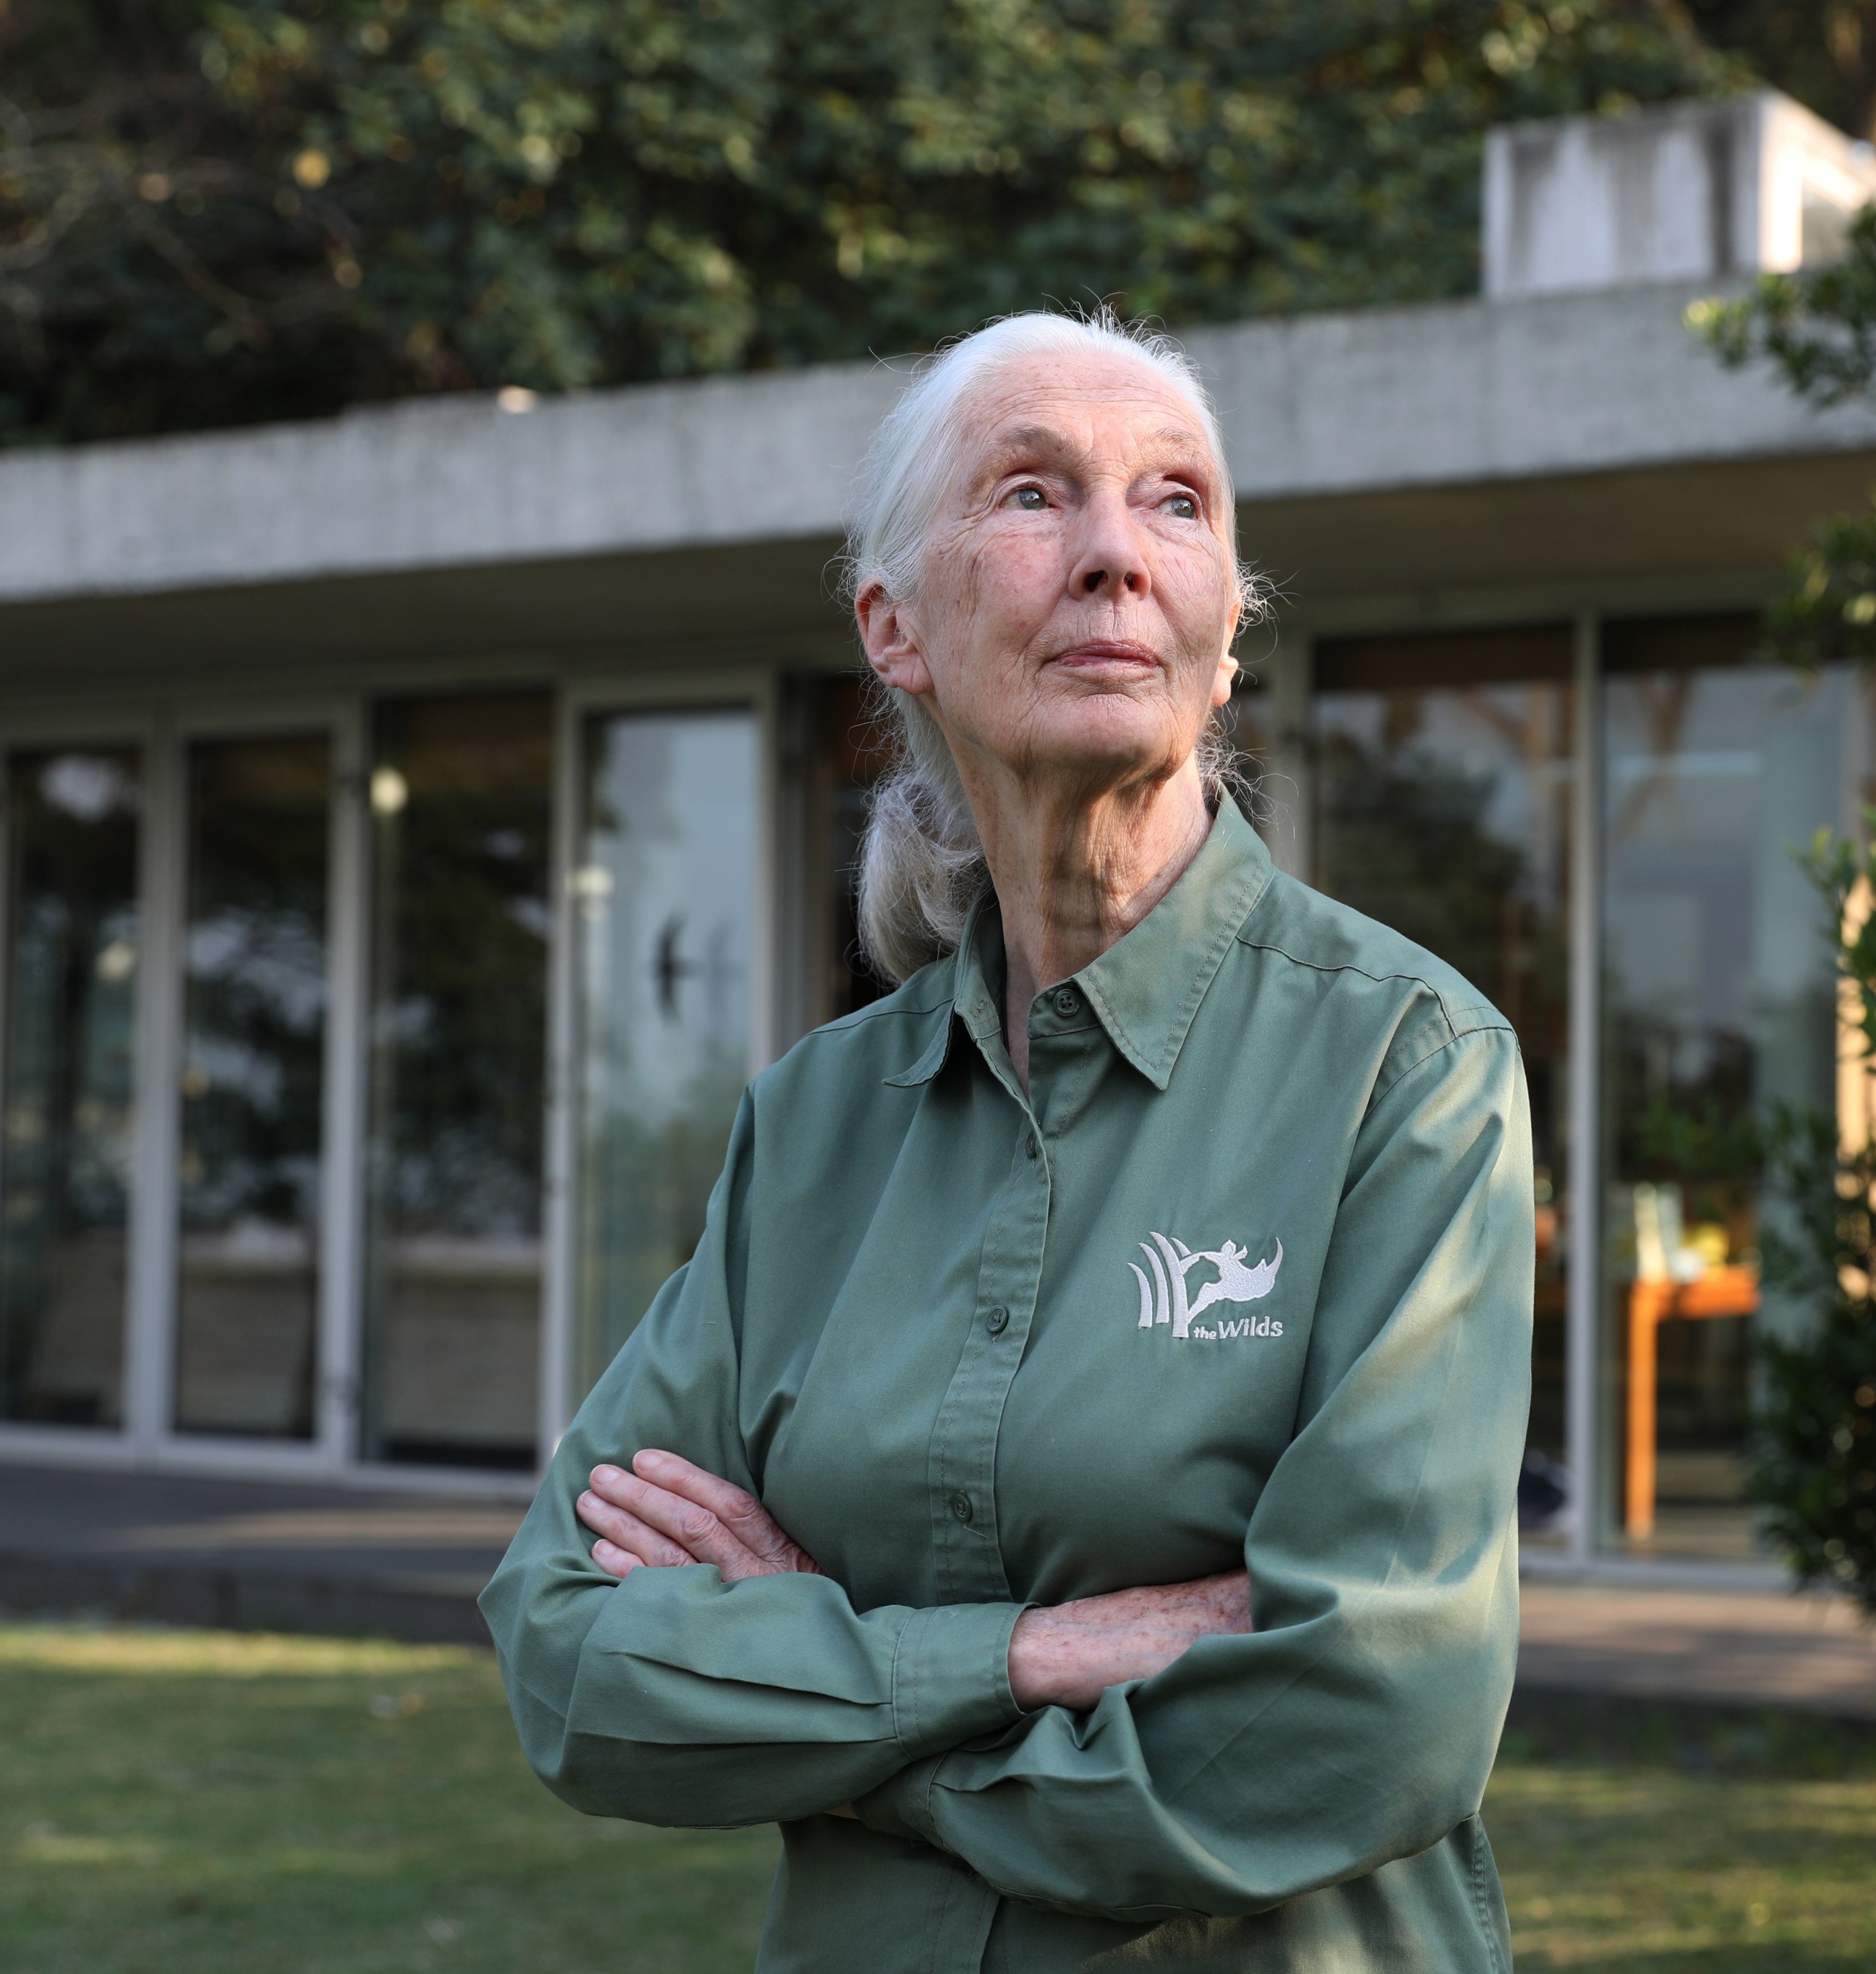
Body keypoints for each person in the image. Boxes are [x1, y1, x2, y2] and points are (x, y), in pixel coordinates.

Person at [479, 309, 1535, 1972]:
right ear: (893, 629)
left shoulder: (1405, 1066)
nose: (1117, 554)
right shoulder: (817, 1120)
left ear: (1224, 636)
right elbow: (568, 1657)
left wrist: (839, 1722)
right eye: (1032, 495)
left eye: (1176, 502)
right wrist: (1036, 1655)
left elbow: (1368, 1717)